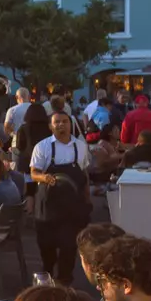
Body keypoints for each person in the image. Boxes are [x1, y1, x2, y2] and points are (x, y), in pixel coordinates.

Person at [28, 110, 91, 283]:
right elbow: (33, 173)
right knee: (46, 245)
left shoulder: (80, 146)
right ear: (50, 126)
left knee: (69, 245)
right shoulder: (43, 146)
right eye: (57, 122)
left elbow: (84, 172)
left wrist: (87, 197)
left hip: (72, 204)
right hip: (48, 204)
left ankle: (64, 281)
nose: (61, 125)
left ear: (70, 124)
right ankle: (47, 275)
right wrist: (44, 177)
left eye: (65, 121)